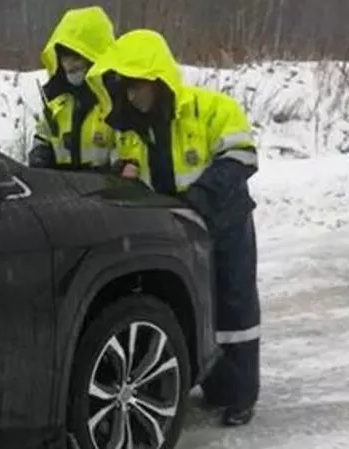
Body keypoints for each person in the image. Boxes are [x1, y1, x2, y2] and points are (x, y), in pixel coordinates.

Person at [85, 29, 261, 427]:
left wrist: (201, 195)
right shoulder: (132, 130)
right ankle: (209, 381)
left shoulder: (212, 108)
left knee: (236, 308)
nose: (131, 97)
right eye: (125, 89)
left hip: (225, 224)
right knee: (199, 305)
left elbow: (242, 157)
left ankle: (240, 396)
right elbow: (127, 173)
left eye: (137, 86)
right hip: (179, 229)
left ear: (158, 80)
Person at [27, 6, 118, 171]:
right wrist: (41, 152)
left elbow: (130, 149)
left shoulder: (115, 102)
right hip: (64, 191)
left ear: (93, 59)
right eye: (64, 58)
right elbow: (43, 136)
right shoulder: (57, 103)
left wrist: (117, 166)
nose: (69, 65)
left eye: (76, 58)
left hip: (108, 193)